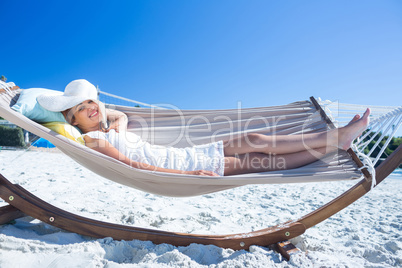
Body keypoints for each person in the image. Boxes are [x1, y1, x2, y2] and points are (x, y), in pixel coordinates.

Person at [38, 79, 371, 177]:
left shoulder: (109, 129)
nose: (93, 107)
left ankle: (336, 137)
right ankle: (334, 144)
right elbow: (131, 165)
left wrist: (112, 116)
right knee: (265, 162)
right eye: (84, 107)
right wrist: (189, 177)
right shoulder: (94, 140)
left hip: (188, 153)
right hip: (185, 168)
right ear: (72, 120)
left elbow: (121, 120)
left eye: (94, 101)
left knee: (255, 138)